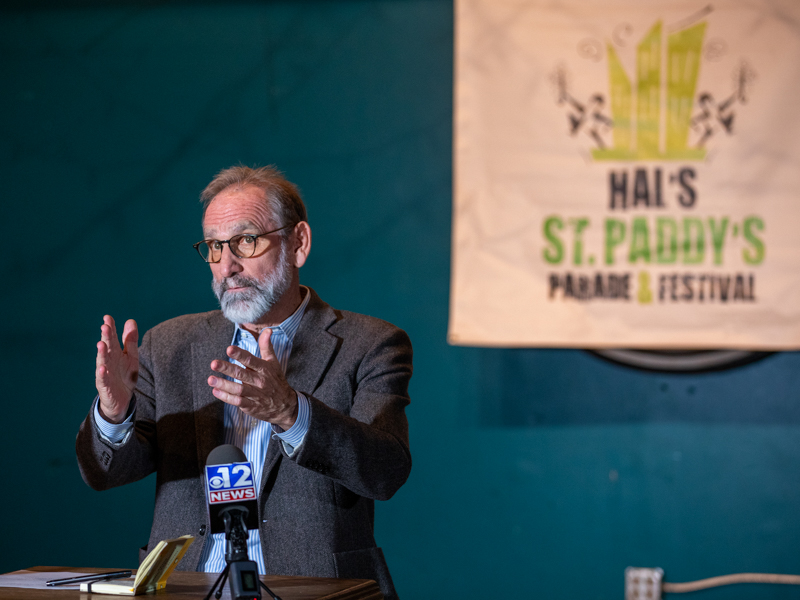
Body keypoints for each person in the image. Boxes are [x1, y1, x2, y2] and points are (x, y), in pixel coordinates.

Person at [76, 165, 412, 600]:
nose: (227, 265)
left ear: (298, 243)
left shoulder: (371, 344)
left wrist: (291, 413)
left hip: (314, 588)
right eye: (214, 247)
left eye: (246, 241)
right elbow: (104, 474)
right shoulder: (170, 344)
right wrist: (114, 415)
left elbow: (385, 473)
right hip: (185, 587)